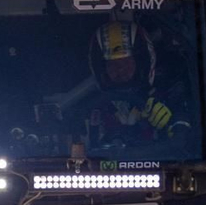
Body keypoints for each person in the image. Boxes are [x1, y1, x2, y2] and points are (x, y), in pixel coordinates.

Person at [55, 20, 191, 145]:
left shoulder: (167, 97)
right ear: (101, 68)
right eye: (112, 64)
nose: (120, 70)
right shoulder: (81, 104)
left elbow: (186, 135)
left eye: (126, 62)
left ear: (142, 63)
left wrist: (175, 123)